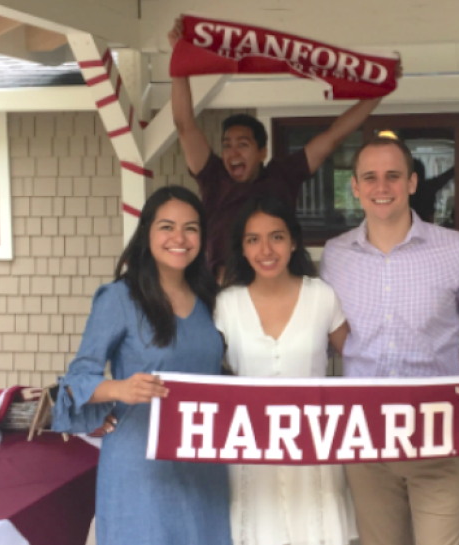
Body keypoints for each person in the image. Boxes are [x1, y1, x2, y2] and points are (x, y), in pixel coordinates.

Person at [320, 137, 459, 545]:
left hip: (437, 432)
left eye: (392, 176)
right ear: (354, 187)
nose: (381, 187)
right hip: (366, 438)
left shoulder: (454, 249)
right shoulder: (335, 257)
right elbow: (319, 332)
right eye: (369, 177)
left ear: (411, 182)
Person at [51, 186, 231, 545]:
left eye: (191, 228)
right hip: (140, 466)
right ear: (147, 231)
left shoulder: (213, 300)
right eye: (167, 226)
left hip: (203, 465)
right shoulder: (120, 298)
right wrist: (119, 389)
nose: (179, 238)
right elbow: (76, 380)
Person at [168, 16, 401, 277]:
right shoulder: (213, 177)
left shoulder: (283, 175)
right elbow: (184, 124)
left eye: (243, 144)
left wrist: (380, 92)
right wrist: (181, 59)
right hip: (223, 290)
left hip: (279, 287)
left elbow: (334, 136)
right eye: (227, 145)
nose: (233, 152)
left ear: (262, 152)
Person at [216, 195, 356, 545]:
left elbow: (361, 358)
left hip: (312, 449)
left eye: (276, 236)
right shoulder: (226, 303)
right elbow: (197, 369)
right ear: (243, 249)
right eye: (253, 239)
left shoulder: (322, 296)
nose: (266, 249)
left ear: (294, 242)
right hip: (250, 451)